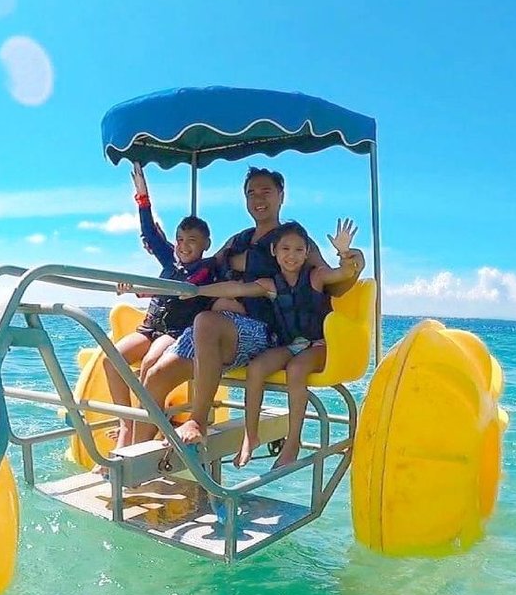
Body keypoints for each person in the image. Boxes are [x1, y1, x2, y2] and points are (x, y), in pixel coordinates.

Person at [130, 166, 366, 447]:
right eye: (251, 192)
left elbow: (332, 284)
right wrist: (164, 247)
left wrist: (352, 262)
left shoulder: (294, 243)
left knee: (205, 321)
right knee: (156, 376)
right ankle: (132, 459)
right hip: (213, 332)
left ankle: (198, 420)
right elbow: (197, 265)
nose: (258, 198)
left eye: (266, 191)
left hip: (261, 333)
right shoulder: (237, 240)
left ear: (281, 195)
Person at [183, 220, 359, 469]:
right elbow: (236, 287)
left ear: (307, 252)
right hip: (290, 346)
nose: (292, 256)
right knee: (256, 368)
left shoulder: (317, 276)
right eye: (286, 249)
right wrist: (198, 290)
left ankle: (292, 443)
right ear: (274, 251)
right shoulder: (270, 285)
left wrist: (344, 253)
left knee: (297, 370)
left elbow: (345, 272)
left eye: (299, 250)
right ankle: (250, 435)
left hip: (318, 346)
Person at [103, 162, 220, 449]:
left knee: (148, 364)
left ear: (206, 243)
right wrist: (142, 197)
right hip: (149, 327)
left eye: (192, 241)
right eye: (180, 240)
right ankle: (126, 424)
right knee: (111, 360)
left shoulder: (208, 269)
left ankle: (146, 430)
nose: (183, 245)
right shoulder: (171, 260)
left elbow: (188, 287)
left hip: (175, 332)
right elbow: (151, 235)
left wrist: (141, 290)